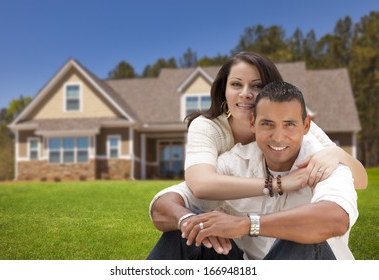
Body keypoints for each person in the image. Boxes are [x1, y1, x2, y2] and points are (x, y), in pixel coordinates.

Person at [148, 52, 366, 258]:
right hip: (250, 260)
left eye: (289, 124)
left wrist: (337, 154)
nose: (279, 137)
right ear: (254, 124)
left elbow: (336, 217)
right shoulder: (228, 152)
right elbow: (183, 193)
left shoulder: (319, 156)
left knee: (304, 230)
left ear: (304, 125)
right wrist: (190, 222)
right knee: (185, 233)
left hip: (313, 263)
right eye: (267, 124)